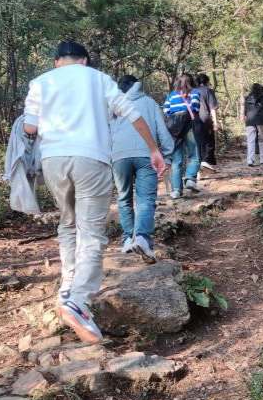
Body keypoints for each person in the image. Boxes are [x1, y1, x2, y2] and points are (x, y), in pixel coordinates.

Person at [24, 41, 166, 345]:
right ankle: (79, 301)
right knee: (91, 231)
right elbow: (132, 114)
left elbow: (30, 128)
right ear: (85, 60)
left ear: (57, 62)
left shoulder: (40, 82)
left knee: (67, 222)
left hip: (53, 160)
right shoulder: (100, 79)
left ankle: (67, 287)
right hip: (91, 159)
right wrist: (153, 150)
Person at [111, 75, 175, 264]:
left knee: (123, 197)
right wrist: (167, 155)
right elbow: (161, 129)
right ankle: (141, 238)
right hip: (147, 153)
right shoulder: (149, 102)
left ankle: (127, 240)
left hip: (118, 156)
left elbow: (106, 130)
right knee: (146, 198)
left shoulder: (113, 103)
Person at [164, 73, 202, 199]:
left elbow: (166, 110)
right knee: (194, 155)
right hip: (189, 127)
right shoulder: (194, 93)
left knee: (176, 160)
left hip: (174, 129)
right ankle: (190, 179)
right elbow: (195, 107)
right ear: (191, 82)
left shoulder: (172, 95)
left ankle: (176, 190)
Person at [195, 74, 219, 171]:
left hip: (195, 119)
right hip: (206, 118)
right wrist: (215, 122)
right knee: (209, 140)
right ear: (207, 82)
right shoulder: (209, 91)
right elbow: (212, 108)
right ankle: (206, 160)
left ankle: (199, 163)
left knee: (198, 141)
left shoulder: (193, 91)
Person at [244, 83, 263, 167]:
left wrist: (246, 118)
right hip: (260, 119)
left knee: (250, 140)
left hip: (250, 120)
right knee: (262, 139)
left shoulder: (247, 98)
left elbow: (245, 111)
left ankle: (250, 160)